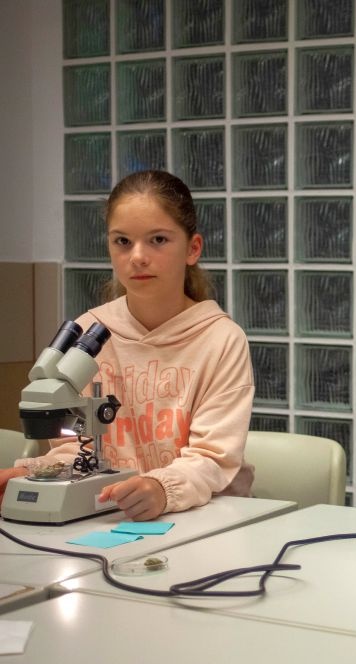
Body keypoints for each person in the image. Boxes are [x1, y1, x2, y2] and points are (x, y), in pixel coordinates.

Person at [0, 170, 254, 521]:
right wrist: (35, 474)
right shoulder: (89, 331)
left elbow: (212, 459)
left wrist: (162, 488)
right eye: (122, 241)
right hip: (111, 515)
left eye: (158, 240)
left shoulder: (221, 340)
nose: (137, 256)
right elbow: (75, 445)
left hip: (205, 518)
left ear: (192, 248)